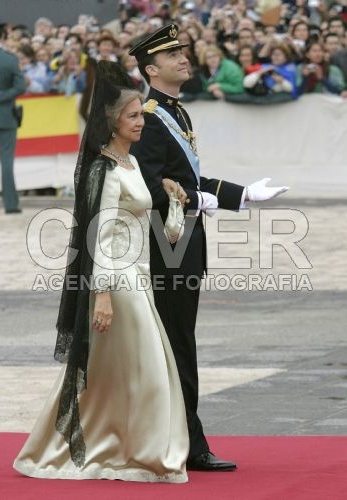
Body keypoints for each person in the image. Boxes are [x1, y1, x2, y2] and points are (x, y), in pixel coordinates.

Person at [13, 60, 189, 482]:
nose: (140, 121)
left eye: (140, 114)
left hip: (138, 277)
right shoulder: (105, 170)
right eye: (132, 116)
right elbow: (99, 238)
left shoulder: (129, 165)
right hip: (118, 282)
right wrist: (104, 294)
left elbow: (152, 227)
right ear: (111, 122)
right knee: (146, 371)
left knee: (113, 374)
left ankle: (115, 444)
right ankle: (144, 454)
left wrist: (172, 197)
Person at [130, 23, 288, 472]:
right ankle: (186, 444)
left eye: (183, 51)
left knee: (182, 339)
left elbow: (190, 178)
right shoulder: (150, 116)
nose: (184, 58)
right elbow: (149, 188)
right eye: (172, 55)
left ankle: (183, 437)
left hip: (185, 238)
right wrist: (196, 198)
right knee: (176, 341)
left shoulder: (176, 112)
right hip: (166, 241)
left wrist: (242, 195)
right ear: (150, 68)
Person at [0, 22, 25, 214]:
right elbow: (20, 87)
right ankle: (11, 205)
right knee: (6, 161)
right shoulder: (10, 59)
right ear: (3, 38)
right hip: (5, 116)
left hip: (4, 115)